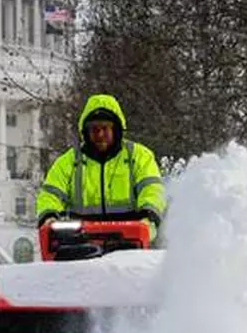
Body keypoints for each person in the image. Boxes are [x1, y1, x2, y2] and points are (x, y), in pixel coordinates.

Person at [36, 93, 167, 243]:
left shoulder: (138, 156)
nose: (100, 134)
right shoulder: (69, 162)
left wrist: (148, 217)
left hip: (131, 240)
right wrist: (49, 217)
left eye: (105, 128)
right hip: (81, 242)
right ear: (85, 132)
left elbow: (152, 189)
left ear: (116, 130)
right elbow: (50, 194)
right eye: (94, 129)